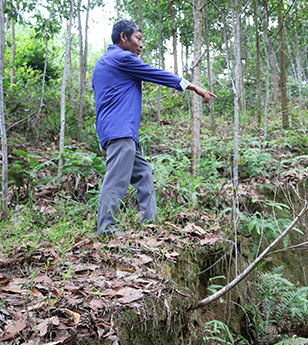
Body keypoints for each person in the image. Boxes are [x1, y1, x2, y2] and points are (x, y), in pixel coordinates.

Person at [92, 19, 216, 236]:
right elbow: (155, 74)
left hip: (119, 130)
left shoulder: (105, 61)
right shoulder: (122, 58)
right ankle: (106, 228)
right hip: (120, 131)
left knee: (143, 173)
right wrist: (192, 86)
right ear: (123, 37)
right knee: (117, 178)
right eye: (137, 39)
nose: (141, 45)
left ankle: (150, 223)